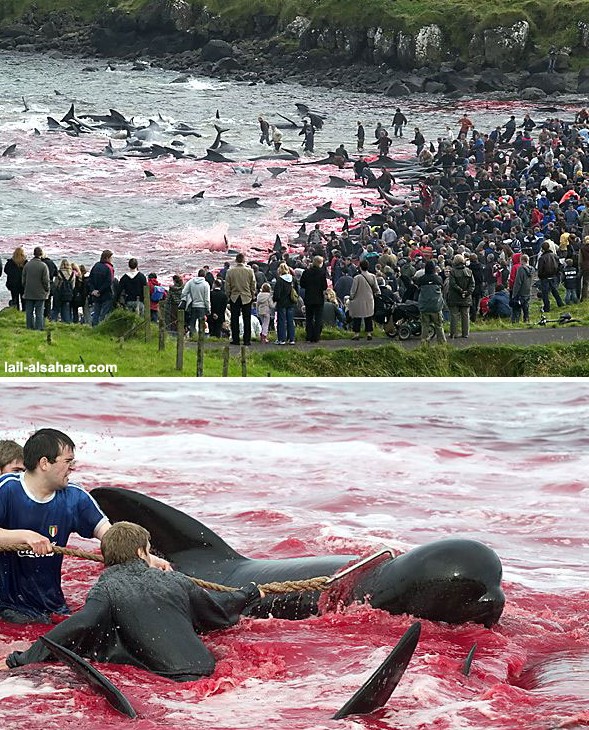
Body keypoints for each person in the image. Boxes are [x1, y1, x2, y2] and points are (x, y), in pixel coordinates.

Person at [6, 521, 264, 681]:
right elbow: (218, 609)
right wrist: (251, 592)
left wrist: (23, 658)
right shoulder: (177, 581)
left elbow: (81, 624)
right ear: (142, 552)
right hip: (208, 669)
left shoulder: (106, 588)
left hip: (167, 680)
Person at [0, 429, 170, 625]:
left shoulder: (76, 498)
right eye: (68, 461)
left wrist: (149, 558)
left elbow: (112, 536)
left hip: (52, 605)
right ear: (44, 463)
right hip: (8, 606)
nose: (72, 468)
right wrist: (24, 536)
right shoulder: (7, 488)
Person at [224, 253, 257, 346]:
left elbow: (227, 285)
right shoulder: (250, 271)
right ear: (244, 260)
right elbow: (253, 284)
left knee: (234, 319)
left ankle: (236, 339)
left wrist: (228, 295)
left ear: (236, 260)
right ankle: (247, 340)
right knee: (247, 319)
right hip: (246, 297)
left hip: (235, 297)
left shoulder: (230, 271)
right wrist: (252, 294)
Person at [415, 260, 446, 344]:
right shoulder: (438, 278)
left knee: (425, 325)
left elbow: (417, 289)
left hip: (424, 306)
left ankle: (424, 343)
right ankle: (442, 343)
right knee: (439, 325)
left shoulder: (421, 279)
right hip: (436, 306)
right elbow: (442, 288)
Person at [348, 259, 380, 341]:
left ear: (360, 267)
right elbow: (376, 288)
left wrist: (351, 297)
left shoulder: (357, 278)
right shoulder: (372, 276)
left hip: (358, 300)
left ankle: (356, 334)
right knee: (368, 316)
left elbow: (353, 290)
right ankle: (369, 333)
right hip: (369, 299)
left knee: (357, 317)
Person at [300, 255, 328, 343]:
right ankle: (316, 336)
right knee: (318, 318)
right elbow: (324, 286)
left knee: (309, 317)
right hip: (319, 298)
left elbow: (302, 284)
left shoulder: (306, 272)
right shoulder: (322, 273)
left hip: (308, 298)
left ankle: (309, 336)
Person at [22, 246, 50, 331]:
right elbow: (45, 280)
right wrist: (47, 289)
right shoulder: (43, 266)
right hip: (40, 293)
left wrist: (26, 287)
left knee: (29, 312)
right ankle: (39, 328)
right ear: (41, 254)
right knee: (39, 312)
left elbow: (23, 280)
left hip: (29, 292)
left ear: (34, 254)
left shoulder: (27, 265)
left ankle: (29, 327)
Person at [447, 254, 475, 338]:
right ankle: (465, 333)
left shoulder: (452, 271)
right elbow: (472, 284)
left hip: (455, 296)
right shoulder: (469, 271)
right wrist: (467, 292)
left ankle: (453, 333)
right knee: (465, 315)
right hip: (466, 297)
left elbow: (452, 284)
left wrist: (460, 291)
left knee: (454, 316)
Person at [272, 261, 297, 345]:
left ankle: (281, 339)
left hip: (281, 303)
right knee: (290, 321)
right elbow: (296, 290)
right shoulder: (293, 279)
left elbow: (277, 294)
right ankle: (291, 339)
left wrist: (275, 300)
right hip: (291, 302)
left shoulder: (279, 280)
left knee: (281, 321)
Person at [88, 249, 114, 326]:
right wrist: (100, 291)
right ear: (107, 258)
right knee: (103, 314)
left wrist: (93, 290)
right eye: (111, 258)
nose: (111, 260)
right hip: (105, 294)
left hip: (96, 294)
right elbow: (109, 282)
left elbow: (90, 279)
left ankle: (94, 328)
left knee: (96, 313)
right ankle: (101, 328)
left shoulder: (95, 266)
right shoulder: (109, 267)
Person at [181, 269, 211, 337]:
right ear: (204, 275)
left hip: (193, 305)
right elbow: (207, 299)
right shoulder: (206, 284)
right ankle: (201, 339)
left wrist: (189, 298)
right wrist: (208, 308)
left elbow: (184, 292)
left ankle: (193, 337)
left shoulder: (191, 282)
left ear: (198, 274)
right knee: (201, 324)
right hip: (202, 306)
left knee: (192, 323)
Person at [537, 240, 564, 311]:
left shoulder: (542, 258)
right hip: (554, 276)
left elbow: (540, 269)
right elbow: (559, 265)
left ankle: (547, 307)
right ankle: (560, 303)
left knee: (545, 294)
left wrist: (541, 276)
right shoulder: (555, 256)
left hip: (545, 277)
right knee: (555, 291)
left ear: (542, 249)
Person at [510, 253, 534, 323]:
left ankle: (515, 322)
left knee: (516, 309)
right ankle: (526, 321)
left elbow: (518, 282)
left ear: (522, 260)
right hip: (528, 291)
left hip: (520, 292)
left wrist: (514, 294)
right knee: (526, 308)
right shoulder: (532, 269)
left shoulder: (521, 269)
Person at [51, 258, 75, 324]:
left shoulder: (59, 273)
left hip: (59, 293)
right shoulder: (72, 274)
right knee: (66, 309)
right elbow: (73, 286)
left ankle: (53, 321)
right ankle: (67, 323)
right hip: (68, 294)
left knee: (56, 308)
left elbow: (56, 284)